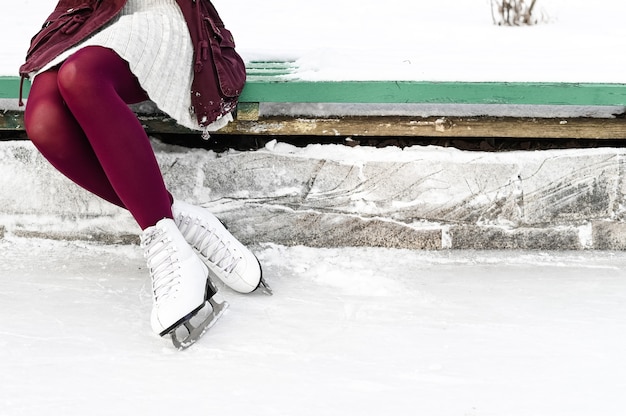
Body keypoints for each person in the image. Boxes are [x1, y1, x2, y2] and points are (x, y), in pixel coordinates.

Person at [19, 0, 270, 349]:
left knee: (80, 76)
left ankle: (169, 246)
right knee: (44, 123)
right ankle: (176, 219)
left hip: (164, 15)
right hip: (87, 14)